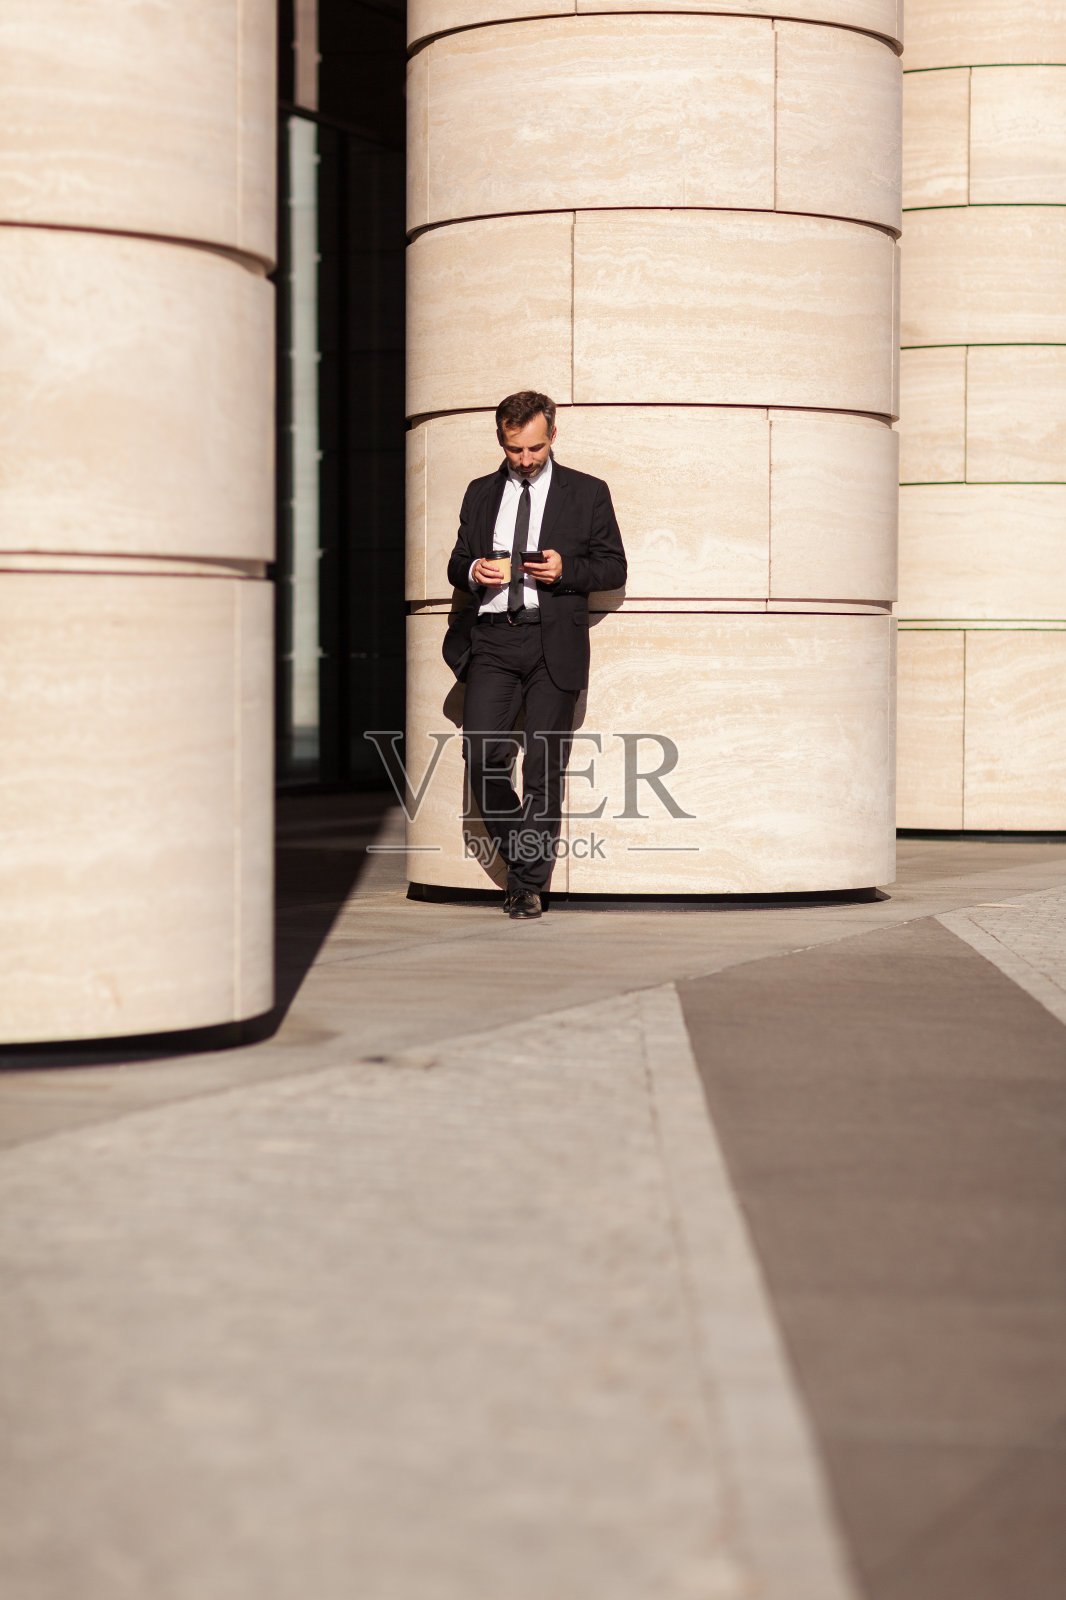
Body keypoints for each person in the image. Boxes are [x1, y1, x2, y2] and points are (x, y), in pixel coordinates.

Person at [443, 391, 627, 919]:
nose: (524, 460)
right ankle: (528, 850)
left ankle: (526, 884)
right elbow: (457, 561)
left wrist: (565, 571)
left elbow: (613, 568)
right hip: (493, 641)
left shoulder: (588, 492)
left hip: (554, 643)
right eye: (513, 449)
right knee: (481, 758)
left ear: (553, 435)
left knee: (544, 769)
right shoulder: (480, 493)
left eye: (534, 449)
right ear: (501, 438)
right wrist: (473, 569)